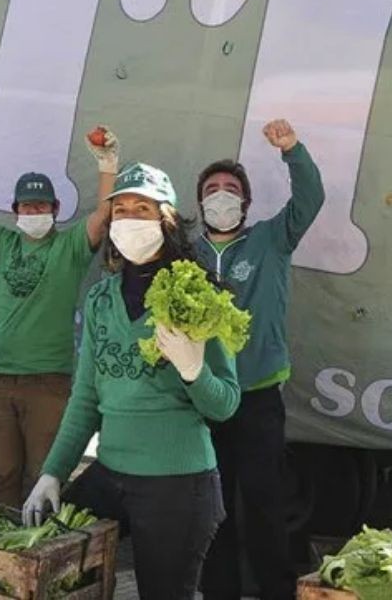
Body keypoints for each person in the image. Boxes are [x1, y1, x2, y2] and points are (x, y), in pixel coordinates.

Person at [24, 162, 241, 600]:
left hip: (176, 486)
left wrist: (194, 371)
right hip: (109, 474)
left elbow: (225, 404)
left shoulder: (198, 296)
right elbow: (85, 398)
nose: (128, 219)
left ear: (167, 220)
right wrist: (53, 472)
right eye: (120, 210)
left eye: (142, 209)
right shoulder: (101, 298)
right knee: (45, 567)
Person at [0, 127, 118, 507]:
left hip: (49, 381)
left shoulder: (69, 246)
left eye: (42, 206)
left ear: (55, 210)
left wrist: (107, 165)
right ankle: (3, 542)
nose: (35, 212)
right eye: (28, 207)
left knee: (44, 476)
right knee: (4, 475)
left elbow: (103, 215)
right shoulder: (1, 242)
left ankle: (44, 543)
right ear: (16, 210)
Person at [197, 119, 325, 600]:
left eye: (231, 190)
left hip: (258, 398)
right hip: (206, 401)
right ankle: (219, 592)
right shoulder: (186, 253)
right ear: (200, 203)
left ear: (246, 203)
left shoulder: (271, 239)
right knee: (214, 508)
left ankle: (277, 592)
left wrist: (293, 150)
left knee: (265, 504)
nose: (221, 196)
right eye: (212, 190)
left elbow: (310, 199)